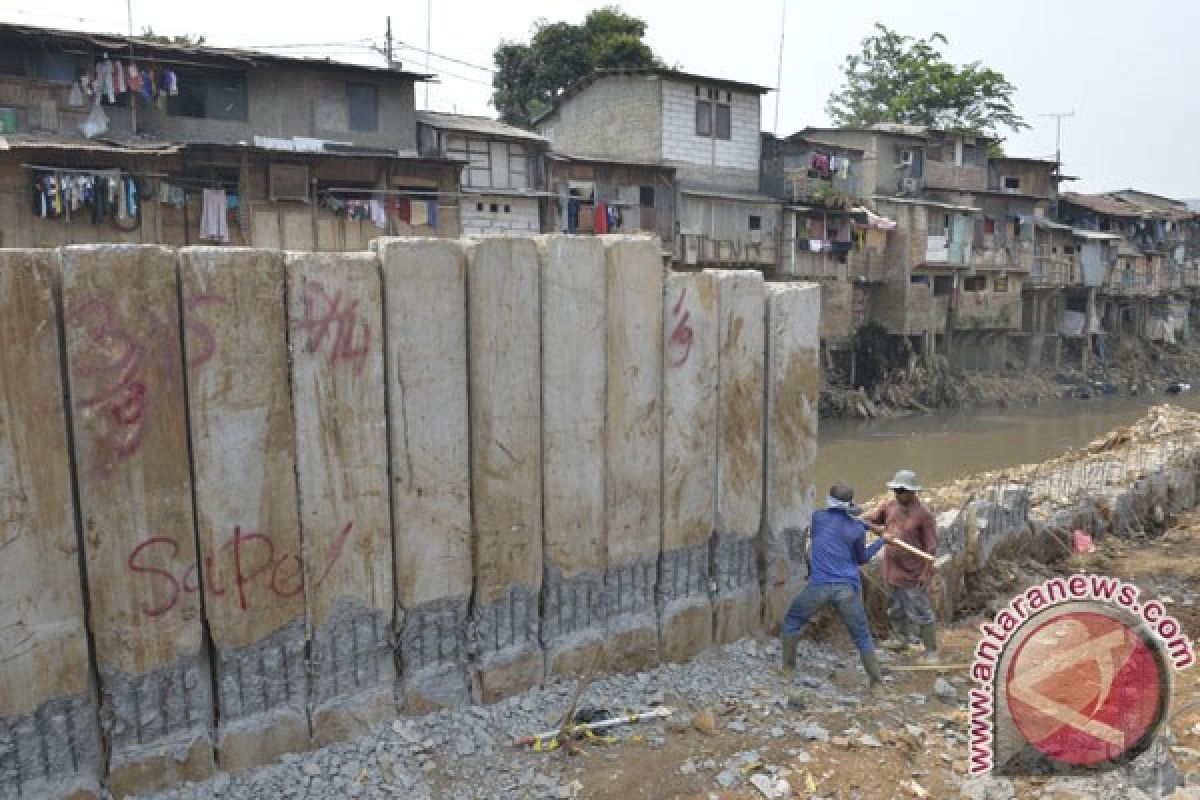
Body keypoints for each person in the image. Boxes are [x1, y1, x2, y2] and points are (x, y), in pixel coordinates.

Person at [780, 481, 888, 695]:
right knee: (862, 636)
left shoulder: (818, 518)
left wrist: (866, 524)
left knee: (792, 622)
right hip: (846, 589)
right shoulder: (856, 529)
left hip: (818, 587)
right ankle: (877, 685)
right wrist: (882, 540)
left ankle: (788, 669)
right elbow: (862, 558)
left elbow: (836, 522)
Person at [864, 469, 940, 663]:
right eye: (896, 490)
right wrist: (879, 530)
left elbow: (931, 548)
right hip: (891, 570)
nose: (898, 494)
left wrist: (925, 573)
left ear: (913, 492)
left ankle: (931, 650)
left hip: (913, 574)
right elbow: (869, 521)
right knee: (895, 608)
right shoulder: (889, 506)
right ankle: (900, 638)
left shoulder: (923, 515)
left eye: (902, 490)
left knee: (922, 612)